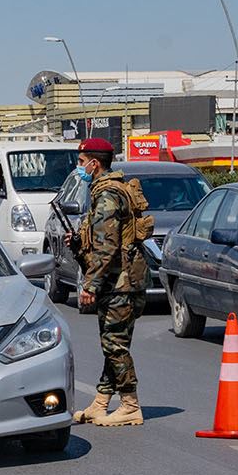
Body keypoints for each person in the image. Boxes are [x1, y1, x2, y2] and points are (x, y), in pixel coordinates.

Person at [73, 138, 150, 427]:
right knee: (113, 343)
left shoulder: (107, 194)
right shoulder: (113, 189)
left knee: (114, 344)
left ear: (94, 164)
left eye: (81, 163)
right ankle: (101, 402)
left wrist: (90, 285)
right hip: (125, 279)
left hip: (120, 282)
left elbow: (107, 246)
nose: (79, 168)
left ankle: (130, 404)